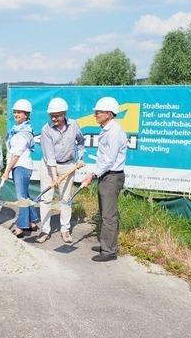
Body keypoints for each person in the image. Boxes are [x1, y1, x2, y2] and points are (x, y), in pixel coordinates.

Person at [81, 97, 127, 262]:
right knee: (104, 212)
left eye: (98, 112)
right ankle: (105, 243)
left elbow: (109, 160)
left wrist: (92, 175)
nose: (95, 115)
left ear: (108, 113)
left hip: (112, 176)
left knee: (109, 215)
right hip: (106, 175)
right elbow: (103, 158)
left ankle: (109, 251)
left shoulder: (114, 132)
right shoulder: (107, 129)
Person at [36, 97, 85, 244]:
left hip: (68, 165)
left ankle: (65, 230)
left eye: (56, 115)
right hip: (48, 166)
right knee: (46, 199)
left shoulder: (74, 125)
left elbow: (81, 141)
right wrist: (53, 175)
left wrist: (80, 157)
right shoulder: (46, 130)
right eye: (51, 115)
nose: (53, 118)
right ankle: (45, 230)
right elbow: (49, 156)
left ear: (64, 114)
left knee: (66, 199)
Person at [3, 99, 38, 238]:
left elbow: (16, 154)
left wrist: (6, 171)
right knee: (25, 195)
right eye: (15, 112)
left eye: (19, 112)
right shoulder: (17, 129)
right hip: (19, 166)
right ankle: (32, 221)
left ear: (26, 115)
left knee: (21, 197)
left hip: (21, 166)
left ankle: (21, 226)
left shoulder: (25, 132)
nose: (16, 114)